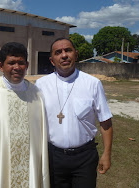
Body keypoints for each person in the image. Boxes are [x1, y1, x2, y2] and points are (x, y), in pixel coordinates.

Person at [35, 38, 113, 188]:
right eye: (58, 52)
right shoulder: (41, 85)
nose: (64, 55)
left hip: (85, 158)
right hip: (53, 157)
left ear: (76, 55)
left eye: (68, 50)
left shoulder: (92, 83)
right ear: (52, 60)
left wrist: (106, 154)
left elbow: (105, 122)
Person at [0, 42, 50, 188]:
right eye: (11, 63)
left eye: (21, 63)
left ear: (27, 65)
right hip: (0, 167)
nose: (17, 67)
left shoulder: (37, 95)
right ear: (1, 66)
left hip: (30, 169)